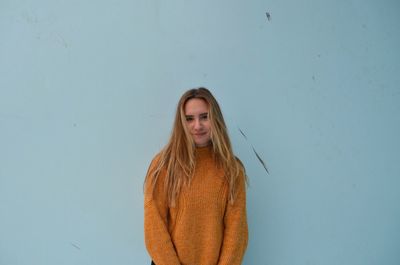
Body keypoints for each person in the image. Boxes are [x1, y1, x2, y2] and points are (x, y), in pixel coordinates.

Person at [144, 87, 248, 265]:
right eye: (189, 119)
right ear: (181, 122)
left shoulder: (231, 169)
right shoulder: (164, 165)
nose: (197, 125)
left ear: (215, 118)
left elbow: (236, 232)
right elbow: (154, 227)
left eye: (204, 117)